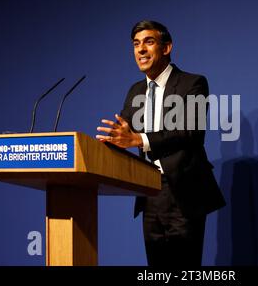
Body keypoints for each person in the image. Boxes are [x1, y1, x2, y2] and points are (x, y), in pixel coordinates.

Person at [96, 20, 225, 267]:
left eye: (149, 42)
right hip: (149, 191)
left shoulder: (193, 83)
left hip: (184, 191)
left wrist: (139, 139)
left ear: (166, 48)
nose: (141, 50)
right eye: (136, 44)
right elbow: (124, 131)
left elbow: (190, 132)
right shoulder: (135, 90)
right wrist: (107, 142)